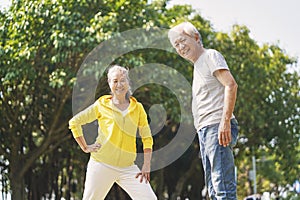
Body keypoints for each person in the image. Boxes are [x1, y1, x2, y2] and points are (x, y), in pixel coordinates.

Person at [168, 22, 239, 199]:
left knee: (222, 186)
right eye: (176, 45)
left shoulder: (210, 56)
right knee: (214, 189)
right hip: (205, 130)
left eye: (182, 41)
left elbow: (230, 85)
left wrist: (225, 121)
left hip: (217, 126)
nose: (180, 47)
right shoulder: (197, 66)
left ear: (196, 38)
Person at [68, 65, 157, 200]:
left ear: (128, 83)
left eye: (122, 80)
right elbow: (74, 122)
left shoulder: (138, 108)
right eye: (115, 81)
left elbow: (147, 137)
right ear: (109, 84)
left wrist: (146, 164)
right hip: (101, 164)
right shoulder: (101, 105)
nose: (119, 84)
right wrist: (85, 147)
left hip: (128, 167)